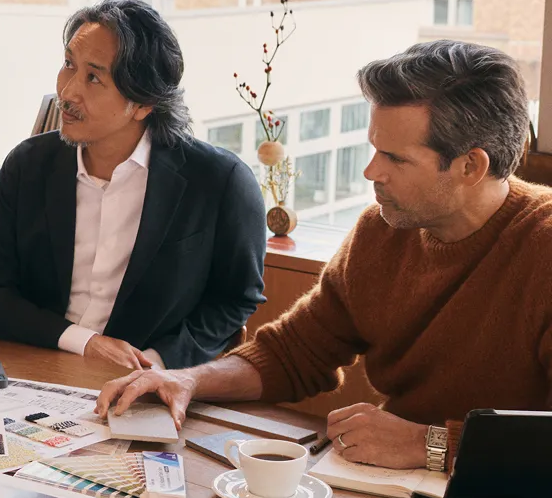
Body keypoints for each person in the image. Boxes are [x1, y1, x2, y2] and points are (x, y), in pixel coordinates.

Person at [96, 40, 552, 471]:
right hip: (397, 484)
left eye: (395, 158)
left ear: (471, 166)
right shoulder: (382, 230)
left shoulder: (542, 247)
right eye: (374, 149)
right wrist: (188, 380)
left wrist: (427, 445)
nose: (372, 171)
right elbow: (295, 354)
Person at [0, 0, 266, 370]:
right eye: (68, 64)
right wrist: (85, 343)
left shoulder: (220, 182)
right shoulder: (28, 165)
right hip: (33, 366)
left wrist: (156, 364)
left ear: (143, 103)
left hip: (145, 383)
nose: (68, 92)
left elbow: (233, 301)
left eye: (93, 77)